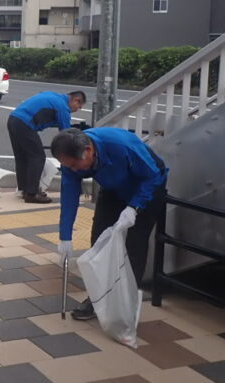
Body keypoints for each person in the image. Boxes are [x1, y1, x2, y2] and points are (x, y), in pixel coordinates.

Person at [52, 127, 168, 321]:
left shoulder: (120, 145)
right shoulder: (72, 160)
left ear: (88, 150)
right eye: (68, 166)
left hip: (146, 186)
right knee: (99, 241)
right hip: (113, 188)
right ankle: (98, 299)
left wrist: (134, 207)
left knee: (134, 245)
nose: (73, 170)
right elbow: (69, 195)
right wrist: (65, 237)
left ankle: (126, 304)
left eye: (74, 165)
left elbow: (153, 176)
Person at [7, 90, 86, 203]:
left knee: (22, 158)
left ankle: (24, 190)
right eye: (79, 106)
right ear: (75, 100)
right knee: (37, 157)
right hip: (25, 123)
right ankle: (32, 194)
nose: (77, 109)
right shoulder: (63, 107)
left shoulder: (54, 96)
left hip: (13, 119)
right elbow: (66, 135)